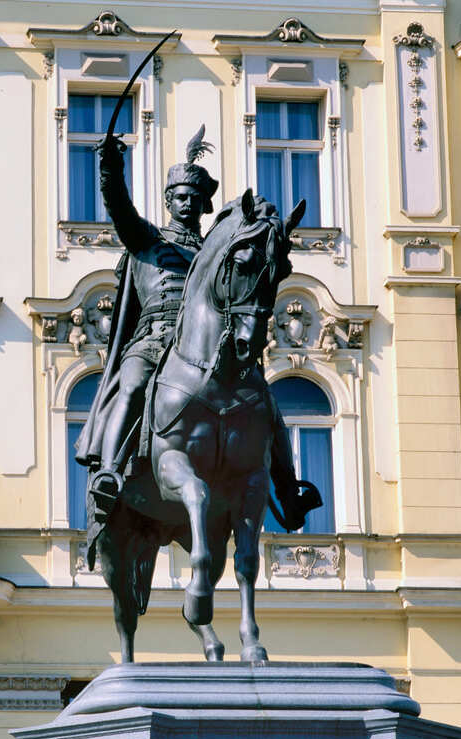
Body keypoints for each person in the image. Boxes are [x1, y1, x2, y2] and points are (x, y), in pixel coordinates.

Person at [75, 125, 317, 531]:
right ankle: (110, 472)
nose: (188, 204)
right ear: (169, 201)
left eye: (196, 199)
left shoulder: (214, 253)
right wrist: (109, 167)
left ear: (206, 206)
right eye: (181, 197)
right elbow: (119, 206)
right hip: (153, 341)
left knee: (266, 400)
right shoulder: (147, 240)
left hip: (209, 350)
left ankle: (288, 489)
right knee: (133, 384)